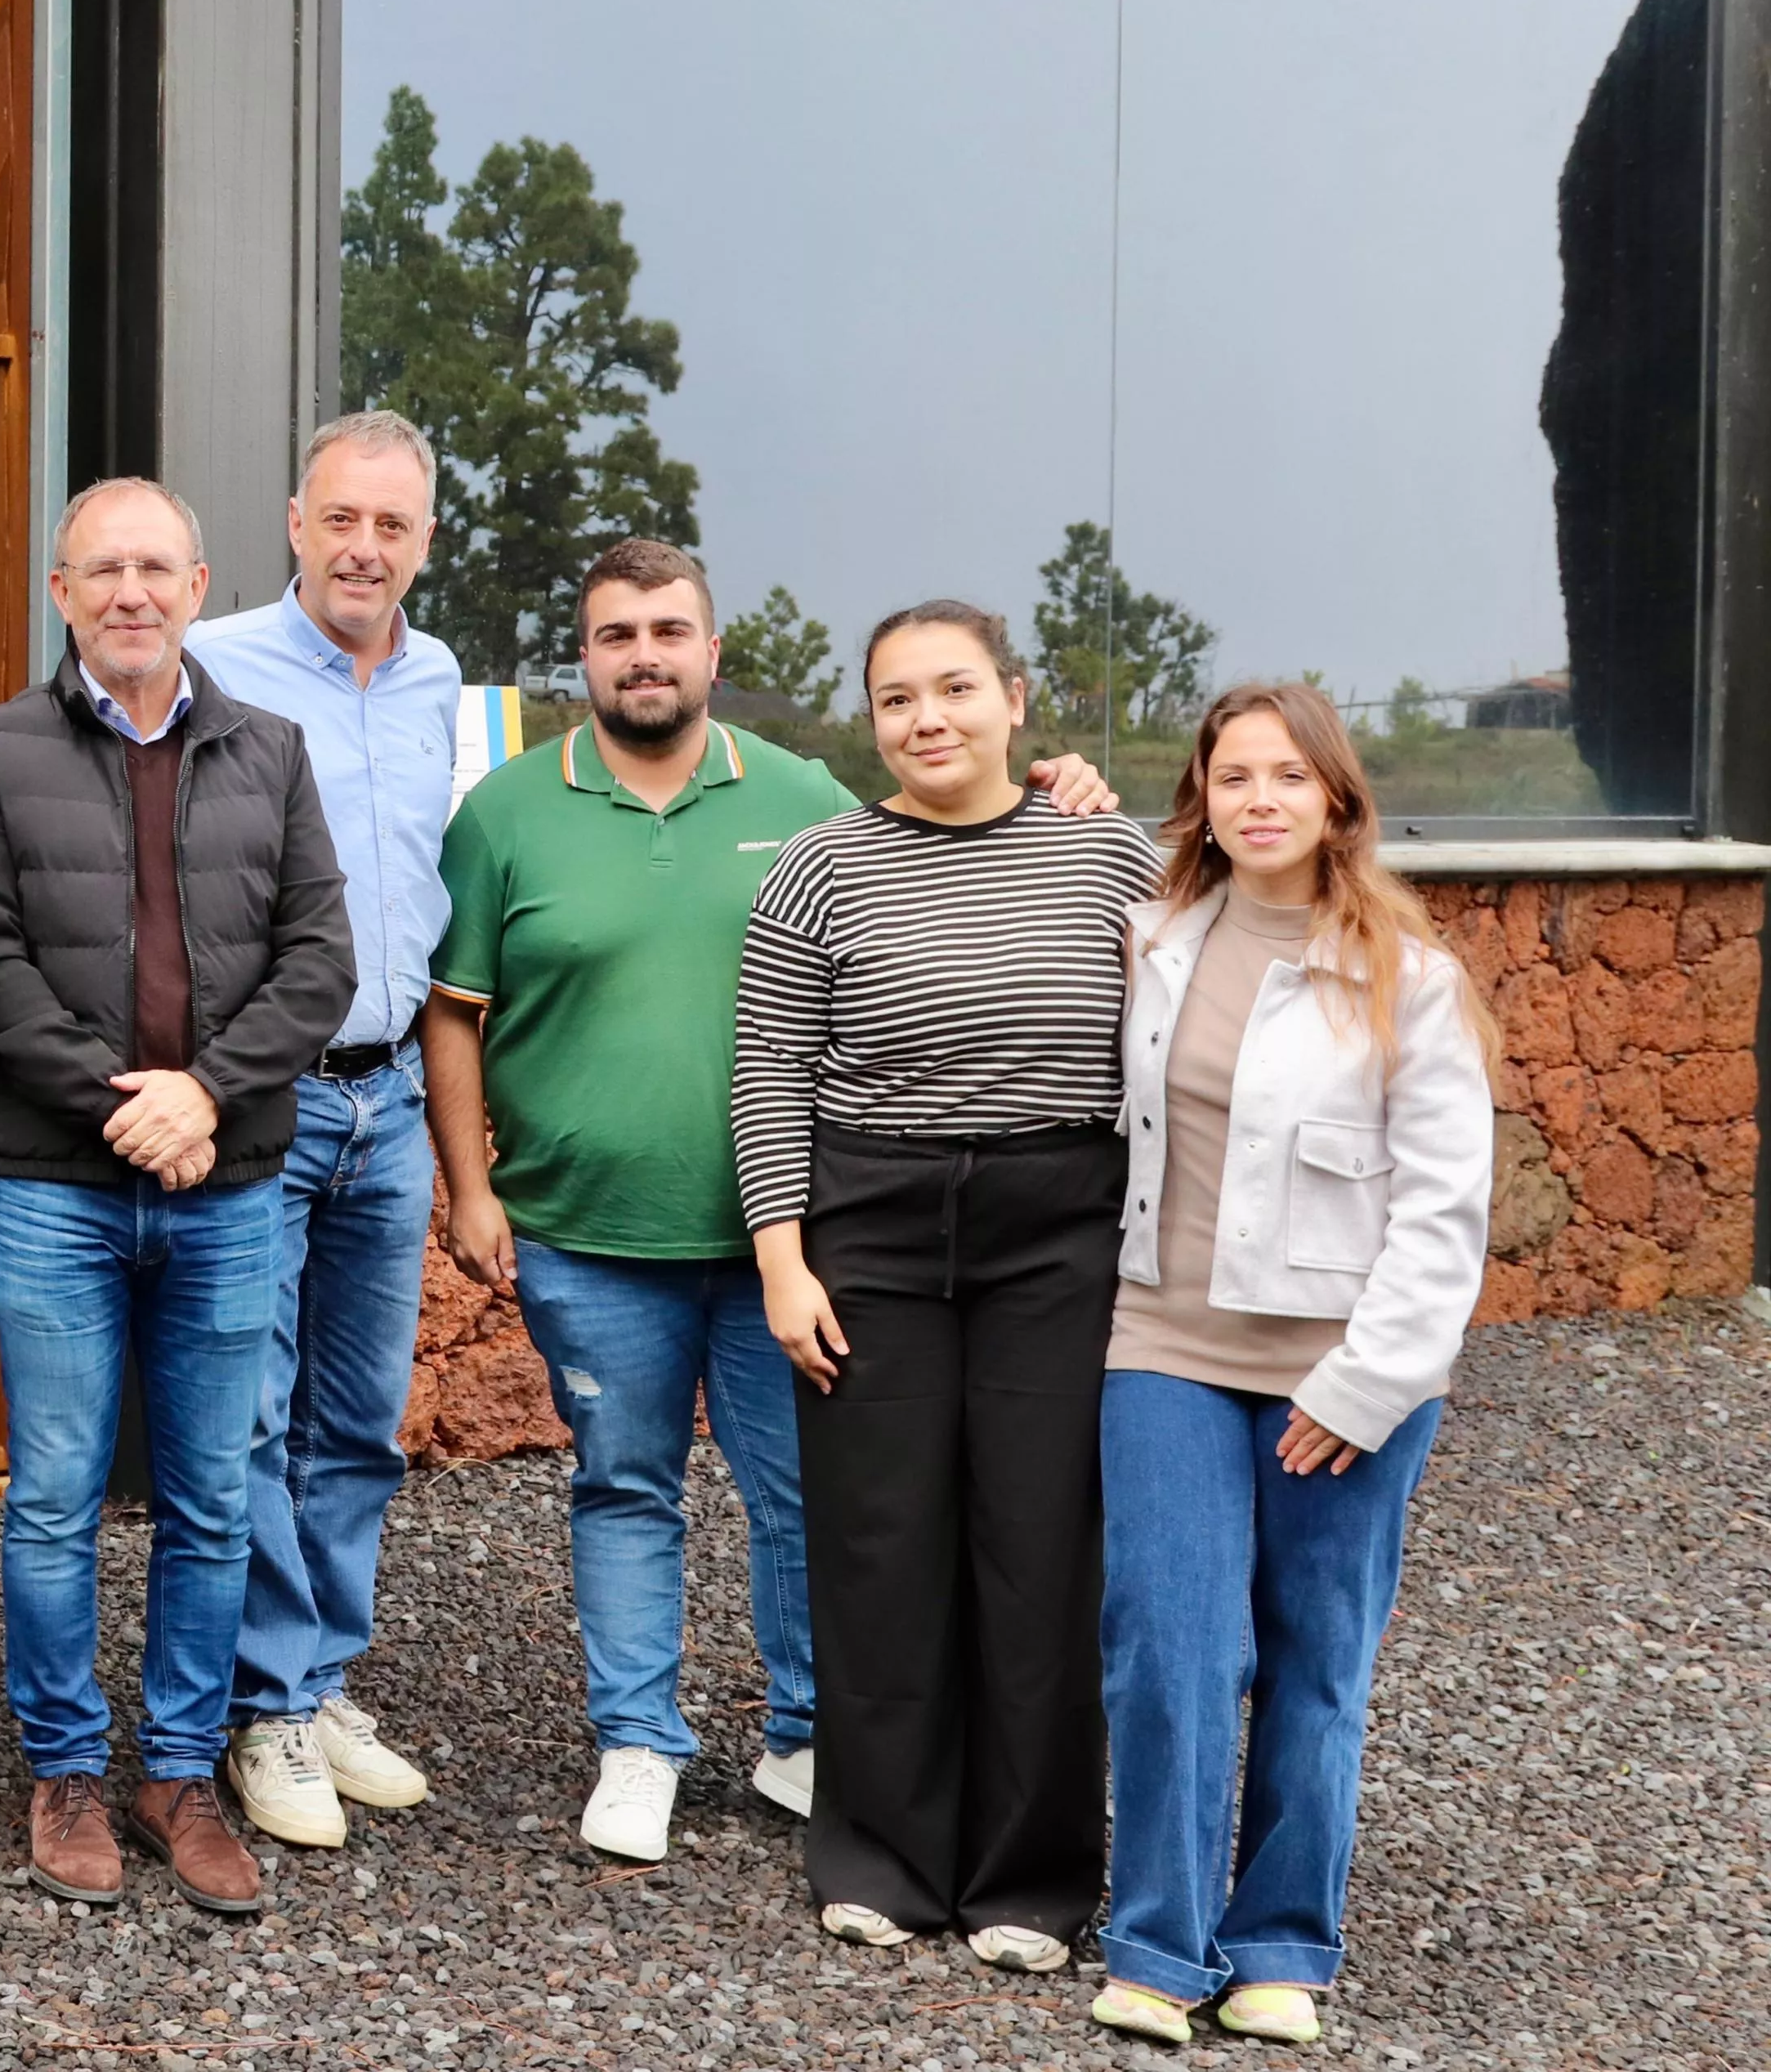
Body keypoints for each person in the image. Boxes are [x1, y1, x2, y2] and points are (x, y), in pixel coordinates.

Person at [433, 544, 1118, 1871]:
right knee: (623, 1488)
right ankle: (638, 1743)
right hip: (590, 1233)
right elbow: (453, 1014)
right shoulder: (508, 812)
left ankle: (809, 1734)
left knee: (810, 1495)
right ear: (583, 657)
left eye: (670, 630)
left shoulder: (801, 795)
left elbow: (943, 833)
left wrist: (1060, 785)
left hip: (793, 1246)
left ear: (713, 652)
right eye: (617, 632)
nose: (646, 653)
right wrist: (471, 1188)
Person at [0, 476, 356, 1917]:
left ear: (198, 584)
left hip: (229, 1180)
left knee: (210, 1495)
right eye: (99, 569)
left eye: (153, 568)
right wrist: (138, 1107)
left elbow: (321, 964)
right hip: (57, 1180)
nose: (128, 590)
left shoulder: (274, 749)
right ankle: (64, 1768)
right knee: (53, 1492)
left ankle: (178, 1772)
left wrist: (207, 1095)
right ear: (63, 594)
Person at [734, 599, 1164, 1971]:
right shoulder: (818, 869)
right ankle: (881, 1857)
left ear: (1015, 700)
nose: (929, 719)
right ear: (872, 723)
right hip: (872, 1235)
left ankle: (1032, 1879)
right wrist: (784, 1263)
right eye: (898, 698)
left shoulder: (1112, 858)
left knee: (1038, 1551)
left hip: (1059, 1236)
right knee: (880, 1546)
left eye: (956, 689)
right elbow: (768, 1079)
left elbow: (1176, 1054)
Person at [1087, 685, 1493, 2050]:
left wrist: (1364, 1385)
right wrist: (1072, 791)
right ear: (1200, 795)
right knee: (1170, 1646)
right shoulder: (1152, 935)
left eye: (1287, 776)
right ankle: (1155, 1940)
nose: (1259, 798)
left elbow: (1445, 1214)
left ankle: (1278, 1944)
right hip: (1165, 1343)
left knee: (1316, 1661)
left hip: (1344, 1373)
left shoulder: (1410, 979)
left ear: (1336, 801)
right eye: (1232, 775)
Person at [183, 411, 456, 1850]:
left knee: (357, 1424)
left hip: (397, 1092)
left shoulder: (441, 683)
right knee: (252, 1416)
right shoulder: (212, 663)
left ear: (424, 541)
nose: (364, 548)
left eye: (393, 527)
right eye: (341, 520)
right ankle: (265, 1705)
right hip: (264, 1096)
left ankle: (320, 1677)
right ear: (296, 520)